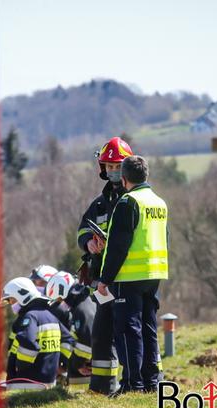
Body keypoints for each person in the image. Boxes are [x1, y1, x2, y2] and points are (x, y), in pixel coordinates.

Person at [97, 155, 167, 396]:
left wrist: (105, 279)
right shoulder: (158, 202)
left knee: (128, 330)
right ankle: (152, 382)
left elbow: (118, 246)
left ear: (124, 179)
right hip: (154, 273)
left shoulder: (127, 202)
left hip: (129, 276)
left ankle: (132, 384)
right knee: (148, 327)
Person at [77, 136, 133, 394]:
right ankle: (102, 388)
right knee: (101, 334)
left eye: (117, 166)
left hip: (128, 279)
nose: (112, 171)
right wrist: (89, 242)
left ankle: (138, 385)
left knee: (129, 334)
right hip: (102, 283)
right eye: (108, 167)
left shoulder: (133, 199)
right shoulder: (99, 204)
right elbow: (81, 231)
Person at [2, 277, 74, 388]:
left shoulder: (30, 316)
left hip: (27, 383)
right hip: (48, 381)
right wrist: (61, 363)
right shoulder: (49, 315)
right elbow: (68, 340)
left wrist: (20, 367)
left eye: (12, 300)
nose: (11, 304)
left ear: (22, 296)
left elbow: (28, 345)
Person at [46, 271, 97, 386]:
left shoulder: (82, 309)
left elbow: (87, 341)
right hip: (89, 362)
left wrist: (78, 364)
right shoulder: (82, 303)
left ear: (63, 291)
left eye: (59, 299)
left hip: (89, 366)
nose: (61, 303)